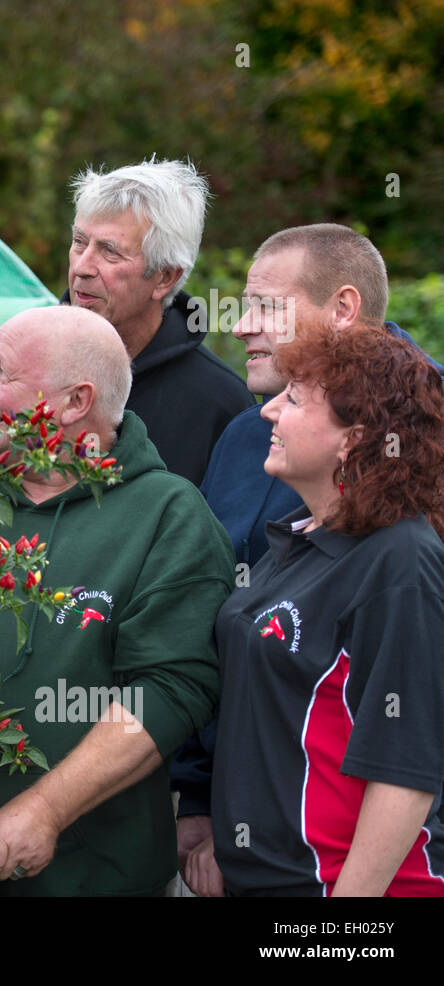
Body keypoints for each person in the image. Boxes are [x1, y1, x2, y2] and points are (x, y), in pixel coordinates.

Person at [174, 223, 444, 896]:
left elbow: (407, 758)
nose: (268, 413)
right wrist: (206, 803)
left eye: (293, 399)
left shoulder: (402, 553)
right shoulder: (297, 526)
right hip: (259, 867)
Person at [0, 305, 233, 895]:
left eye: (3, 374)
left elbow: (173, 689)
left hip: (89, 875)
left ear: (76, 403)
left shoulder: (167, 516)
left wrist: (48, 808)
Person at [0, 158, 254, 486]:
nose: (82, 266)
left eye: (110, 252)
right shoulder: (13, 358)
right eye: (79, 242)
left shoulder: (218, 403)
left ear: (165, 277)